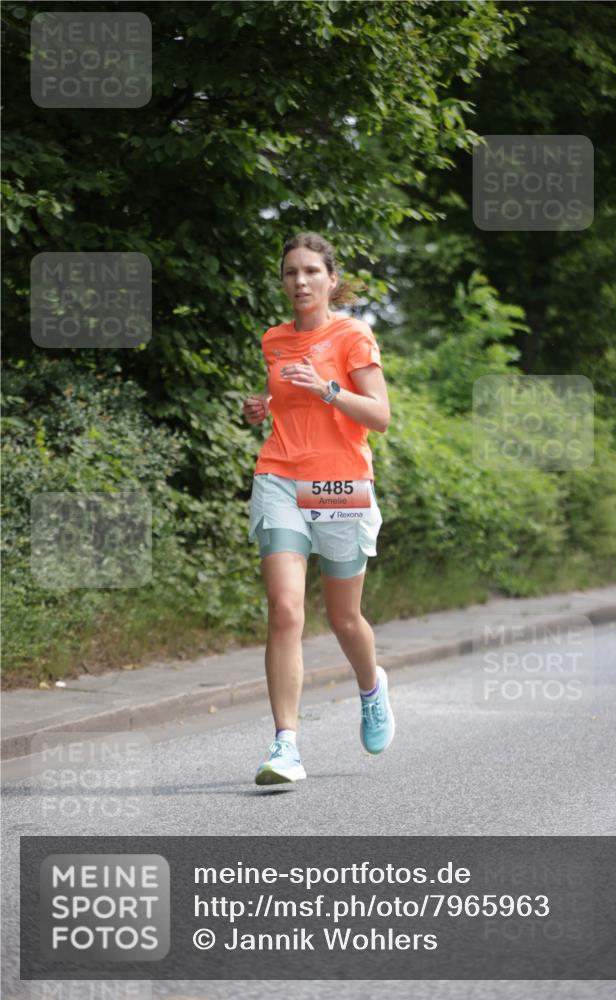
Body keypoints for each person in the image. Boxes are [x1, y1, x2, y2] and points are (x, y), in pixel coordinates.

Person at [242, 231, 394, 786]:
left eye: (310, 271)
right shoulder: (274, 340)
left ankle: (371, 689)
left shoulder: (353, 335)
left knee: (342, 617)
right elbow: (285, 401)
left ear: (331, 280)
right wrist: (262, 407)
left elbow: (379, 415)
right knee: (285, 610)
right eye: (290, 273)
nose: (300, 281)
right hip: (280, 475)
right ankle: (285, 746)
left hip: (340, 485)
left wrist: (329, 389)